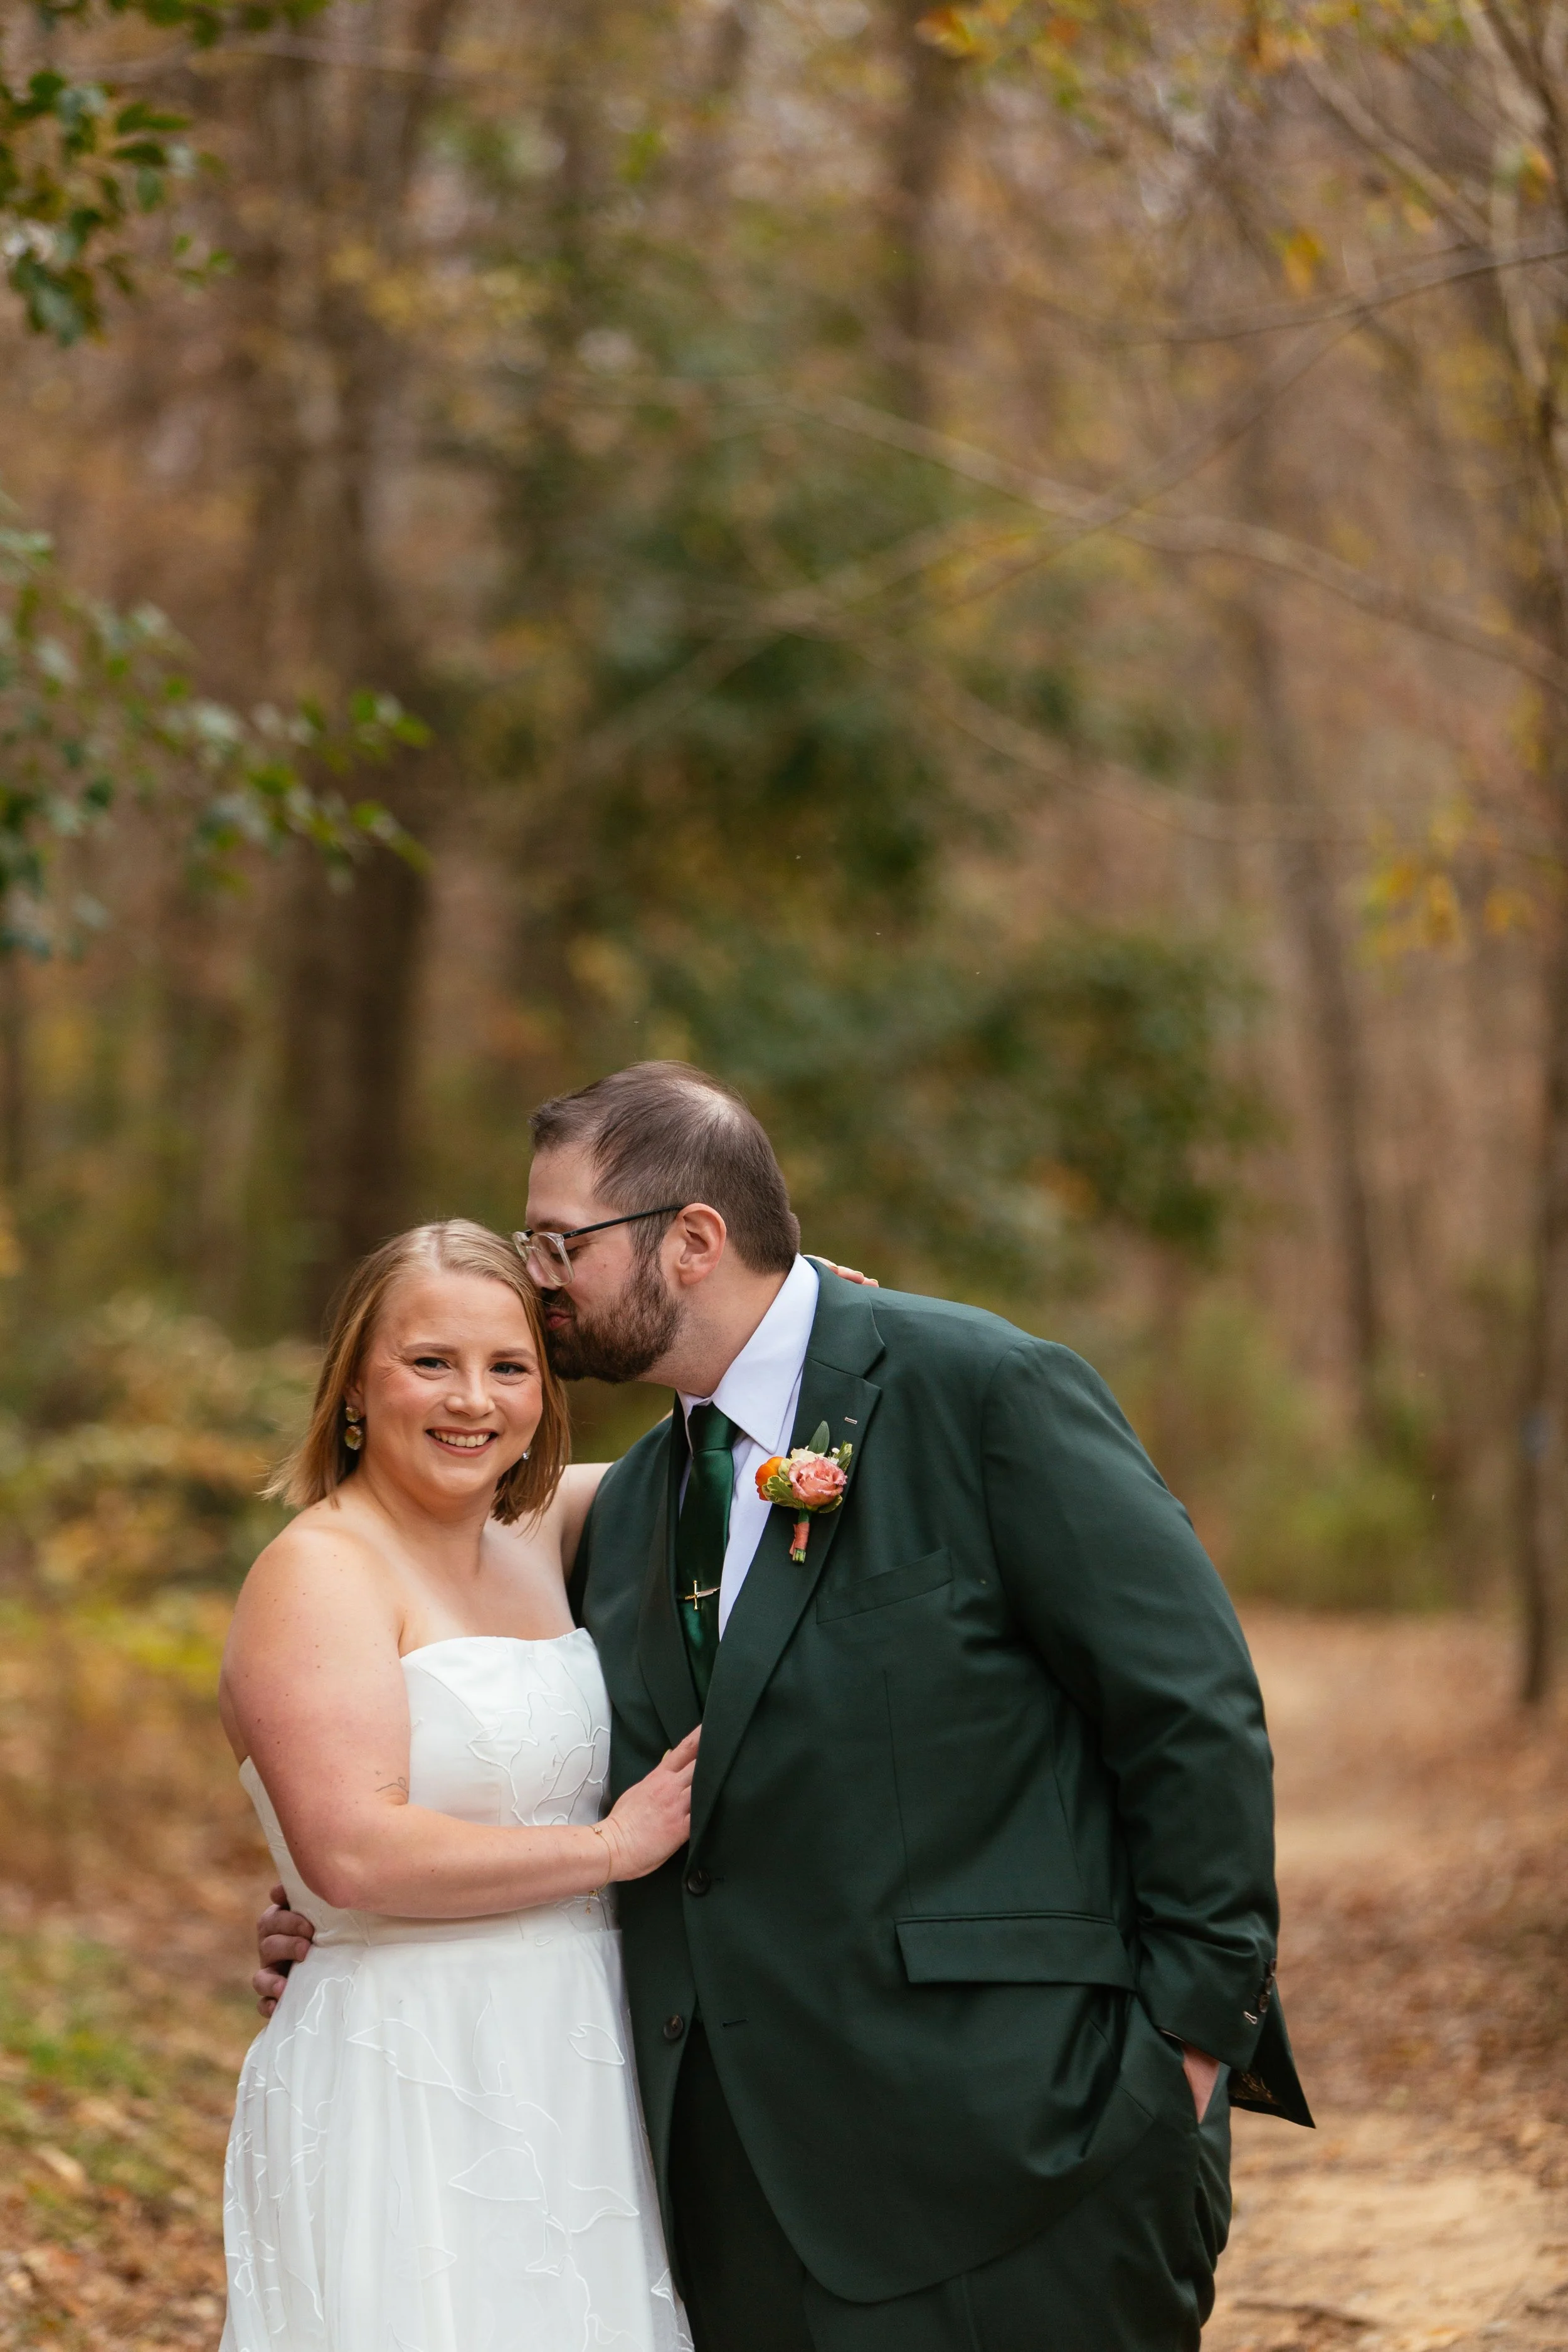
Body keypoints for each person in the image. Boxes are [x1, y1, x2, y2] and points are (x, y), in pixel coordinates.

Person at [258, 1065, 1311, 2352]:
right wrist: (334, 1904)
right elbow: (408, 1696)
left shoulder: (978, 1393)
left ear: (692, 1242)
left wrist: (1188, 2057)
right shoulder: (626, 1508)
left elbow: (1188, 1712)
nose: (536, 1278)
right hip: (713, 2202)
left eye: (558, 1243)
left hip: (1031, 2153)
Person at [219, 1218, 697, 2352]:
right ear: (354, 1385)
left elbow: (731, 1445)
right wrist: (612, 1850)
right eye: (429, 1361)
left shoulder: (545, 1531)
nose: (470, 1400)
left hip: (578, 2056)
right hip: (409, 2066)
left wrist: (814, 1310)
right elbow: (351, 1853)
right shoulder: (318, 1570)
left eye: (508, 1366)